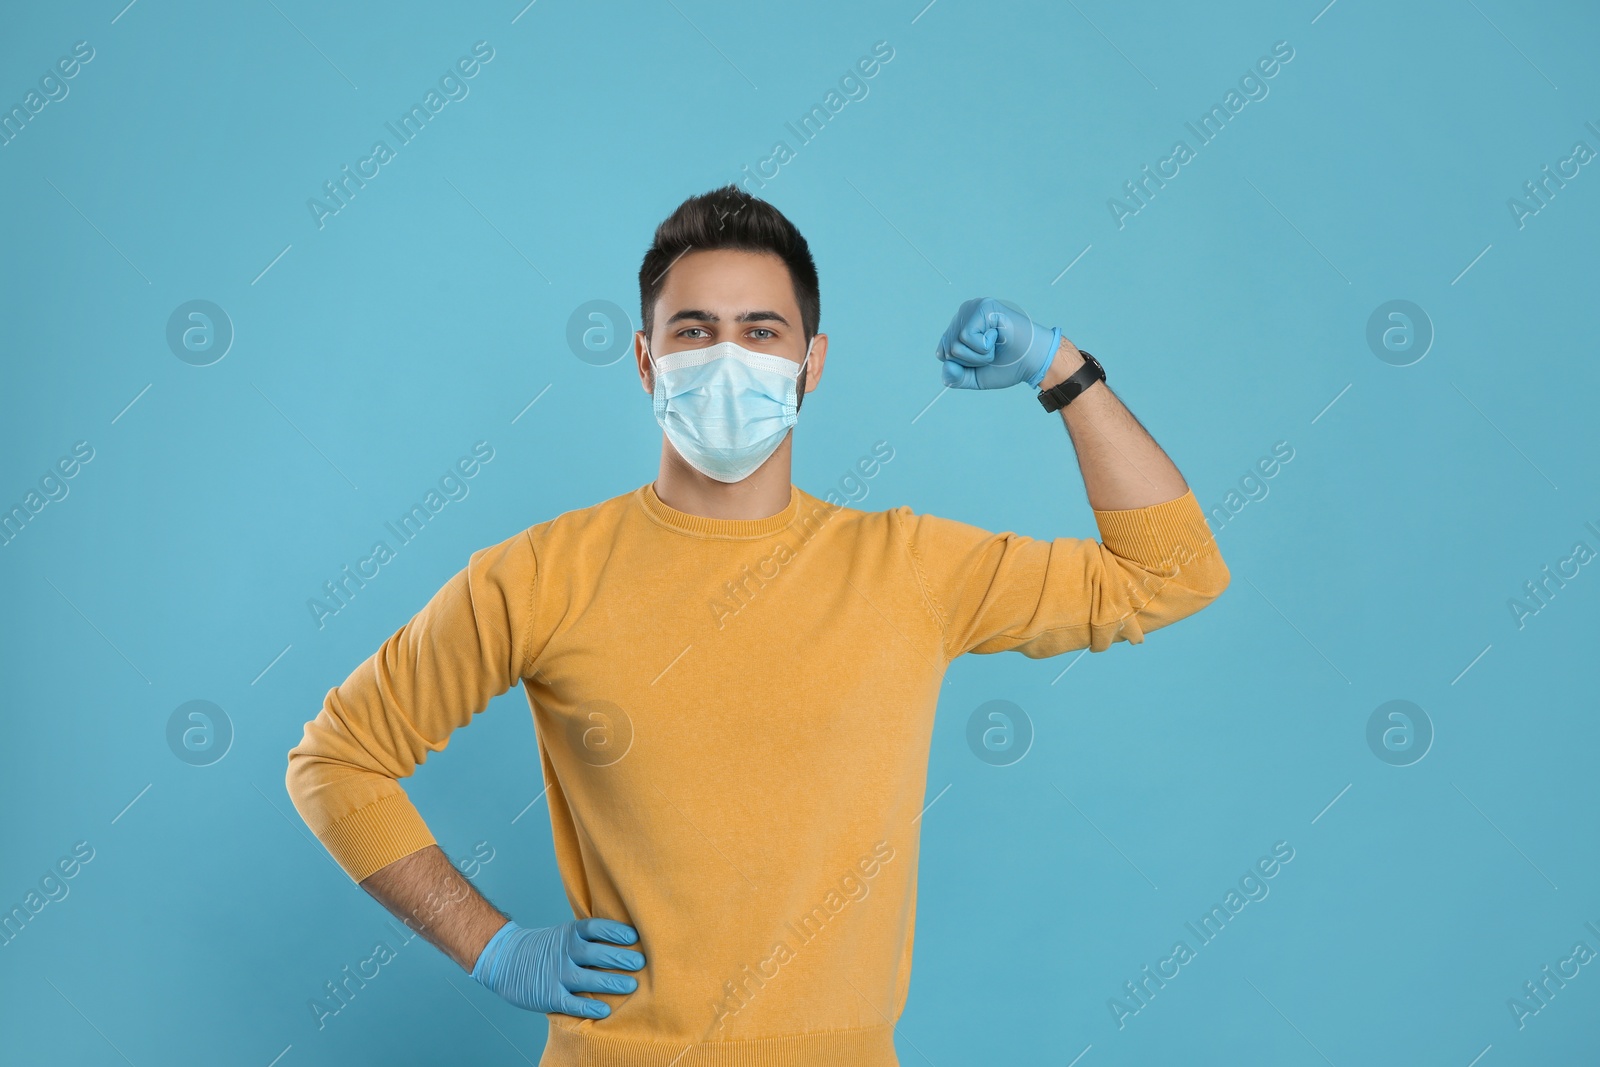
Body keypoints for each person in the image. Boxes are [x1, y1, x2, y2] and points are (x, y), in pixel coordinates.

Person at [285, 184, 1230, 1066]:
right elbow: (336, 758)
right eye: (694, 330)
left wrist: (1063, 372)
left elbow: (1170, 573)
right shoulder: (539, 575)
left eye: (761, 330)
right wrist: (490, 945)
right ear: (647, 357)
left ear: (811, 363)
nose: (727, 357)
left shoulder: (906, 567)